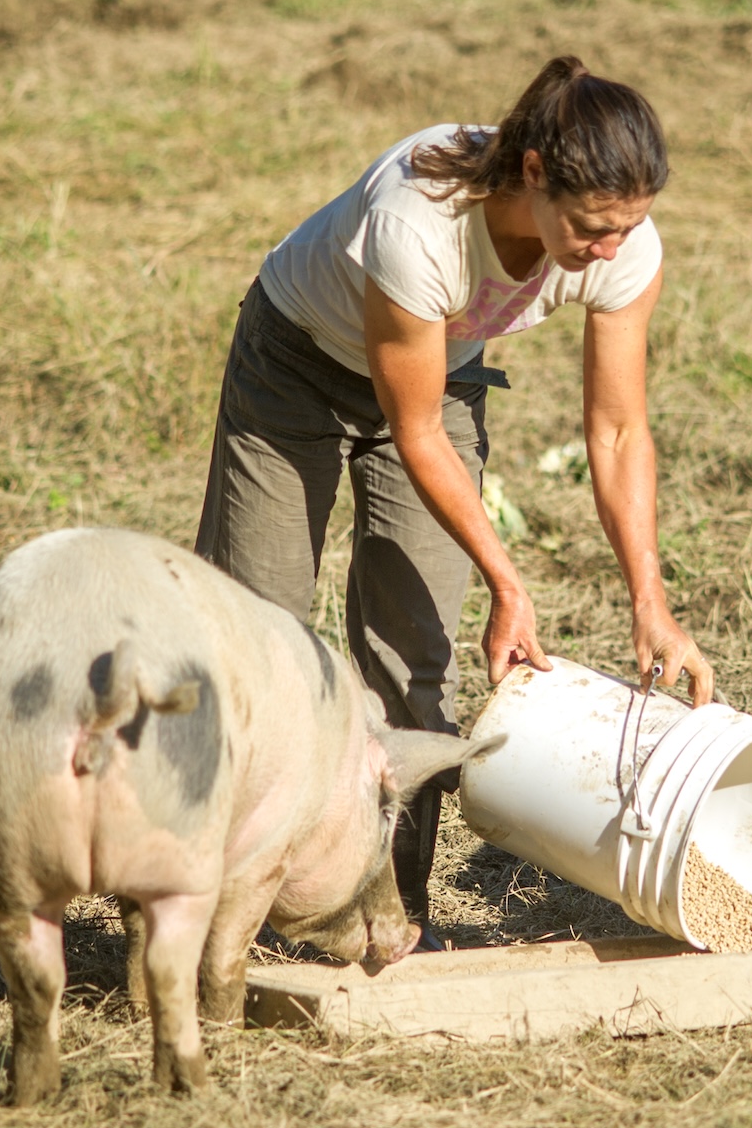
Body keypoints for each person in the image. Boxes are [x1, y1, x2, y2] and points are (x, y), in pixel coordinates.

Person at [194, 55, 713, 942]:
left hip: (443, 384)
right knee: (257, 642)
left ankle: (394, 915)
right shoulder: (420, 216)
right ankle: (213, 907)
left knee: (414, 661)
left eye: (628, 227)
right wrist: (510, 582)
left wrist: (651, 604)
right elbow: (416, 429)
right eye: (592, 227)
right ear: (536, 175)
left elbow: (619, 431)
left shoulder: (625, 248)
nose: (609, 250)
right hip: (297, 369)